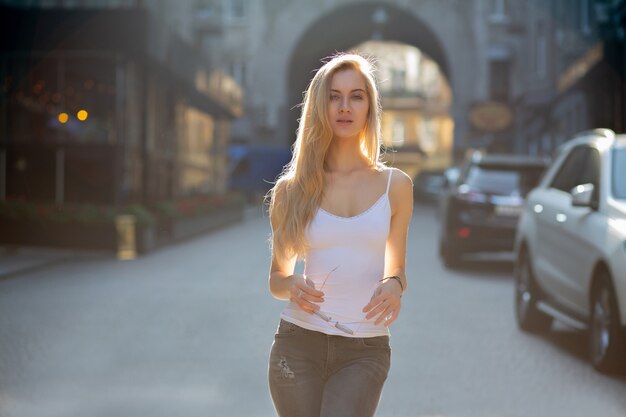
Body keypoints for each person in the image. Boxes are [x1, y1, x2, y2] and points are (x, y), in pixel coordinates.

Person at [266, 52, 413, 417]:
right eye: (334, 96)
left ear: (369, 108)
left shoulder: (396, 186)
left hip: (364, 348)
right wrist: (292, 284)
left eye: (356, 96)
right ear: (320, 105)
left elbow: (396, 270)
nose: (344, 107)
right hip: (297, 344)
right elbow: (276, 279)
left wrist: (394, 285)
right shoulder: (291, 189)